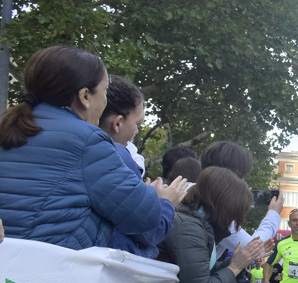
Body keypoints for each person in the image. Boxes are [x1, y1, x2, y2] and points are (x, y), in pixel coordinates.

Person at [0, 46, 182, 250]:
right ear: (85, 96)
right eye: (104, 91)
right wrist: (163, 201)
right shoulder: (87, 140)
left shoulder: (9, 126)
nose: (105, 101)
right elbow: (145, 218)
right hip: (49, 273)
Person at [97, 75, 183, 258]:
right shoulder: (115, 156)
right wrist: (164, 203)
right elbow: (149, 231)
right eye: (137, 124)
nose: (136, 131)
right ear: (117, 123)